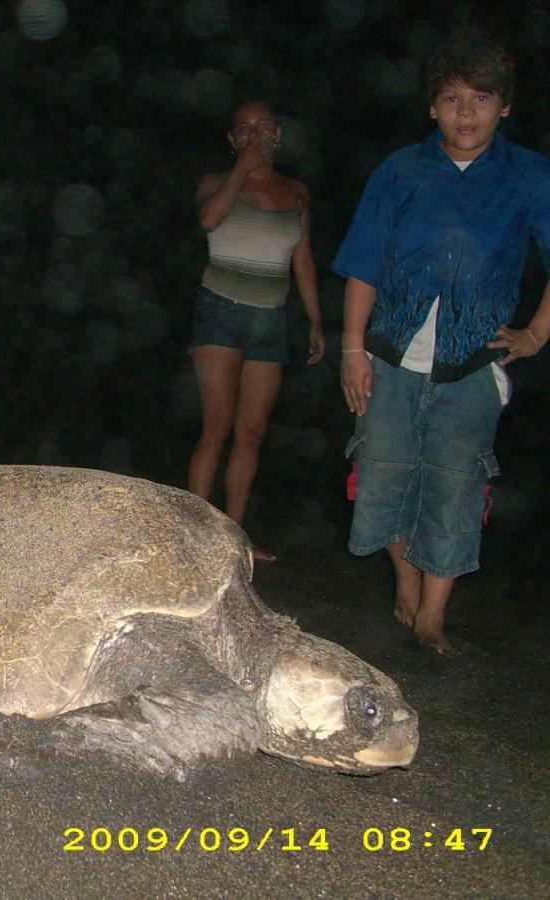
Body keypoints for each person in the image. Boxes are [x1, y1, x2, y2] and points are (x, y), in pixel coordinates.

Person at [334, 30, 550, 654]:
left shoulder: (530, 176)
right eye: (453, 98)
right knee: (382, 473)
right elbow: (364, 264)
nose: (466, 112)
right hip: (390, 353)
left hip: (476, 362)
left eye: (481, 98)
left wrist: (536, 333)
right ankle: (406, 584)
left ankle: (432, 617)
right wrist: (352, 349)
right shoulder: (400, 171)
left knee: (455, 481)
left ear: (504, 107)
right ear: (433, 106)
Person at [188, 100, 325, 561]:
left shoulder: (297, 193)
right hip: (220, 311)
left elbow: (302, 260)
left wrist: (315, 322)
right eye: (242, 129)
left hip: (270, 318)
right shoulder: (215, 183)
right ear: (232, 140)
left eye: (261, 127)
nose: (253, 135)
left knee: (251, 433)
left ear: (277, 135)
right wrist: (241, 170)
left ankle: (234, 539)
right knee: (217, 427)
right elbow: (208, 220)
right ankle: (195, 538)